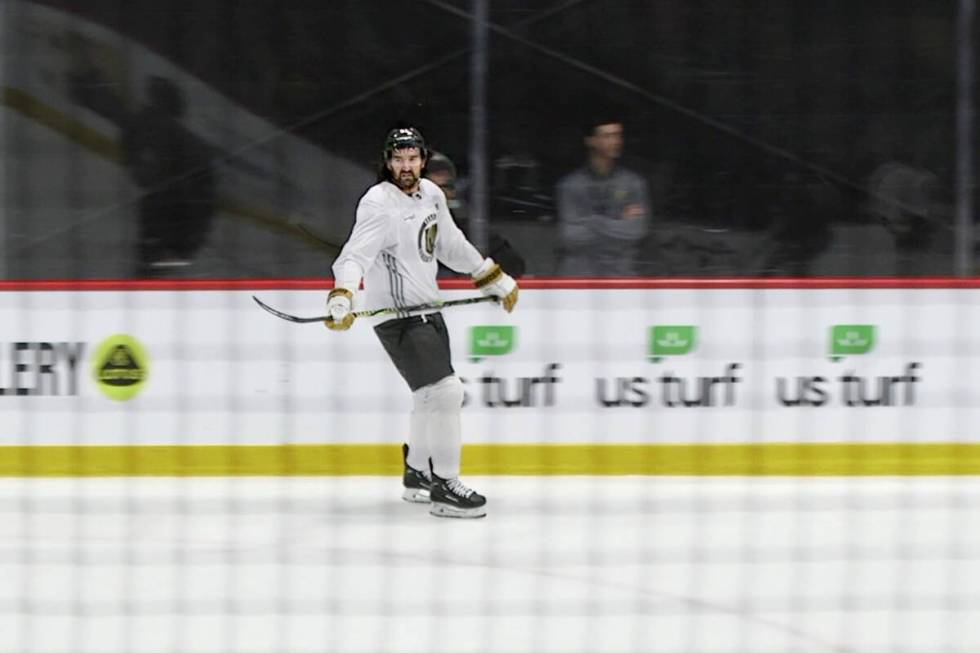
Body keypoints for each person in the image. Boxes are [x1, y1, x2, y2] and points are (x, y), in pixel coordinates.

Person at [324, 127, 519, 519]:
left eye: (412, 158)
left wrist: (489, 275)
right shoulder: (378, 203)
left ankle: (417, 473)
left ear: (423, 160)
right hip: (399, 320)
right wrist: (343, 293)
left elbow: (449, 243)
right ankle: (445, 486)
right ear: (387, 161)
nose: (406, 166)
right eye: (398, 159)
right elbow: (354, 255)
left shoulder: (431, 194)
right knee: (446, 393)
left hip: (429, 310)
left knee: (428, 398)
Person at [121, 76, 216, 277]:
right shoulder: (156, 126)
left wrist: (137, 167)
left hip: (178, 214)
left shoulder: (172, 136)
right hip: (178, 217)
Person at [555, 118, 651, 276]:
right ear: (591, 141)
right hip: (579, 277)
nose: (616, 141)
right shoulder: (571, 185)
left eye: (618, 136)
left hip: (621, 275)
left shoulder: (633, 183)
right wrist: (617, 223)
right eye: (608, 136)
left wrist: (592, 222)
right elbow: (571, 236)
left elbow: (636, 231)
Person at [426, 150, 527, 277]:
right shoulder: (400, 225)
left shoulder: (466, 226)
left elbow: (513, 265)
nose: (441, 194)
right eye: (434, 187)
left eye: (447, 186)